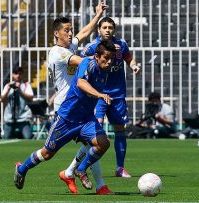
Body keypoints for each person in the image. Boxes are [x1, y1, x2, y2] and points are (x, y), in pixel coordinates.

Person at [13, 40, 115, 194]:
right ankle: (22, 168)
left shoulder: (105, 70)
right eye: (105, 58)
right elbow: (81, 83)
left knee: (103, 143)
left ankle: (80, 170)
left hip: (86, 119)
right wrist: (100, 95)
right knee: (47, 154)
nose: (108, 62)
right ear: (96, 56)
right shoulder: (88, 63)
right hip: (67, 119)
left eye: (111, 59)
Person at [61, 17, 140, 181]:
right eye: (104, 27)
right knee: (94, 133)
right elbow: (81, 62)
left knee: (120, 129)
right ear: (99, 30)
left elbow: (129, 58)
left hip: (117, 94)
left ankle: (120, 168)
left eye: (110, 27)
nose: (107, 30)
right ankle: (78, 169)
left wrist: (134, 66)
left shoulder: (122, 45)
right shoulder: (92, 48)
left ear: (114, 30)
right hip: (97, 96)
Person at [48, 3, 112, 195]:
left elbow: (83, 33)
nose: (70, 34)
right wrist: (102, 54)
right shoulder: (58, 53)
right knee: (50, 152)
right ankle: (76, 175)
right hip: (67, 106)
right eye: (67, 30)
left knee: (95, 144)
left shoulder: (68, 46)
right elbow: (84, 61)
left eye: (70, 30)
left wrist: (97, 15)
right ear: (57, 34)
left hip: (78, 103)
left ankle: (80, 177)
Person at [1, 66, 34, 139]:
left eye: (20, 74)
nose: (18, 76)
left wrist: (20, 91)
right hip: (9, 118)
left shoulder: (26, 85)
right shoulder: (8, 85)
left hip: (23, 117)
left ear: (22, 74)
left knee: (28, 137)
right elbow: (2, 99)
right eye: (16, 73)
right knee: (7, 138)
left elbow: (31, 98)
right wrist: (8, 89)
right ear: (12, 74)